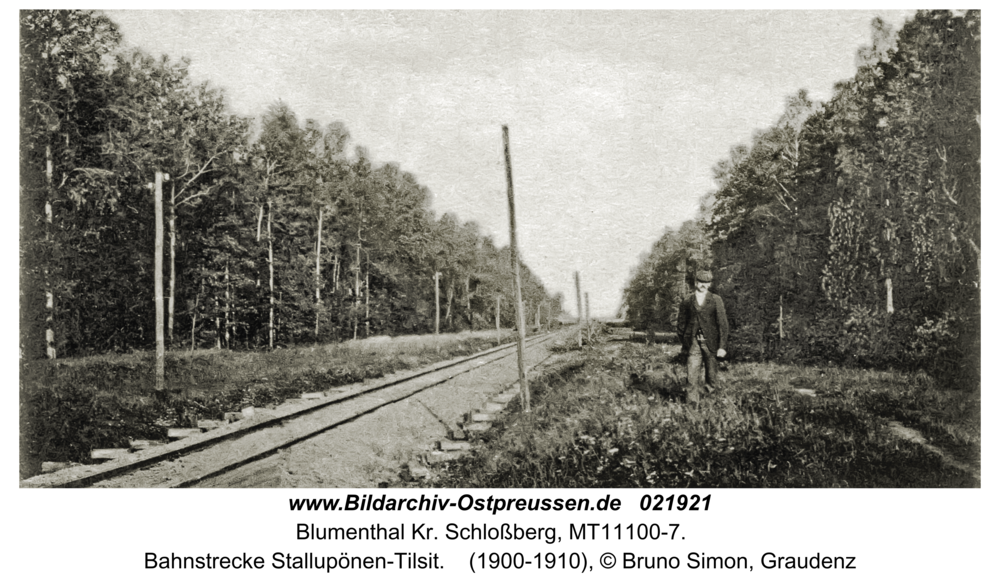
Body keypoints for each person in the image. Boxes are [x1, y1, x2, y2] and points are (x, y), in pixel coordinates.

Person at [676, 270, 729, 404]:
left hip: (711, 342)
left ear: (710, 284)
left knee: (711, 374)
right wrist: (685, 341)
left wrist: (722, 346)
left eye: (706, 282)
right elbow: (681, 323)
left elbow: (723, 324)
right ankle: (692, 403)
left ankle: (709, 400)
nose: (703, 285)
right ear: (695, 283)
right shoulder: (687, 300)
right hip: (693, 343)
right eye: (700, 282)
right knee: (692, 373)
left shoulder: (716, 299)